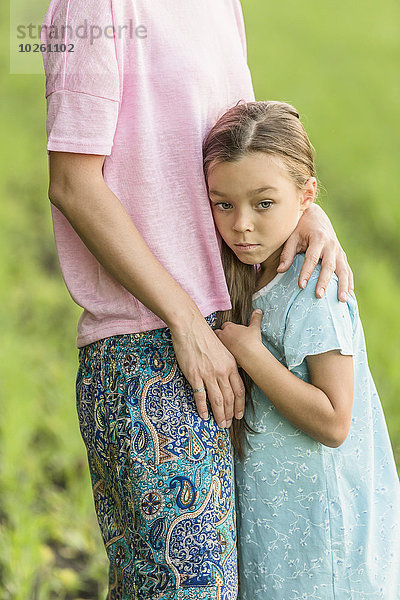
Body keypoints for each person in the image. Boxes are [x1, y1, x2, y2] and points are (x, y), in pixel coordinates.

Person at [40, 0, 353, 597]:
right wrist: (184, 321)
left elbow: (245, 150)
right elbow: (73, 184)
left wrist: (307, 212)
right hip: (147, 349)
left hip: (230, 339)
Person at [202, 100, 400, 599]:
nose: (242, 224)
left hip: (323, 531)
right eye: (223, 204)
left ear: (306, 196)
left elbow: (335, 421)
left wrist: (252, 355)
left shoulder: (313, 289)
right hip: (278, 518)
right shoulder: (244, 272)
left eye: (263, 204)